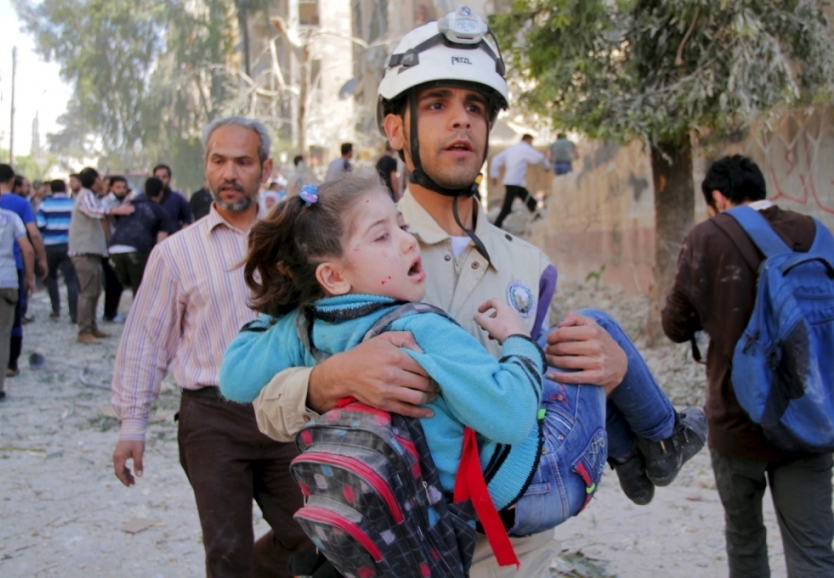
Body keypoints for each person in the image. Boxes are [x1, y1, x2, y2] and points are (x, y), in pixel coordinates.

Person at [238, 8, 689, 576]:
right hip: (400, 550)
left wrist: (613, 366)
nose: (462, 122)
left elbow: (543, 403)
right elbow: (264, 409)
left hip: (512, 550)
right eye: (437, 104)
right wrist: (330, 379)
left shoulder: (530, 264)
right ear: (396, 128)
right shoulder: (346, 250)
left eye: (475, 107)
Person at [221, 175, 705, 535]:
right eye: (382, 235)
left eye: (402, 225)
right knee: (593, 325)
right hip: (537, 483)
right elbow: (514, 414)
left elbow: (234, 379)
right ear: (333, 276)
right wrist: (515, 339)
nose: (407, 240)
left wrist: (284, 310)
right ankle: (661, 438)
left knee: (558, 351)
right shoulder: (419, 326)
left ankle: (639, 457)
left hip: (456, 504)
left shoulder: (307, 326)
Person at [111, 116, 315, 577]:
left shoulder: (295, 242)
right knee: (226, 552)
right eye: (218, 161)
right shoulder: (176, 253)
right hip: (212, 421)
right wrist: (132, 424)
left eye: (242, 162)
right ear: (205, 166)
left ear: (265, 169)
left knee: (315, 537)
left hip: (287, 411)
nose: (229, 174)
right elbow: (146, 339)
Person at [662, 154, 834, 578]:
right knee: (813, 552)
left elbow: (674, 325)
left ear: (718, 198)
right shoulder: (817, 233)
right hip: (809, 418)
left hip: (737, 419)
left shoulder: (707, 237)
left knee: (745, 541)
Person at [0, 164, 47, 375]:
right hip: (11, 269)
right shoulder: (19, 204)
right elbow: (32, 236)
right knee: (13, 317)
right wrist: (38, 265)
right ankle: (10, 364)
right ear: (13, 180)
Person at [68, 167, 134, 344]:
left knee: (95, 291)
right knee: (88, 292)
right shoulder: (86, 196)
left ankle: (91, 327)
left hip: (93, 252)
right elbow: (92, 211)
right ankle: (84, 331)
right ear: (95, 180)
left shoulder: (91, 196)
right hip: (84, 251)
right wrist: (115, 211)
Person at [0, 178, 35, 401]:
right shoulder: (11, 217)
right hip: (6, 280)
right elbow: (27, 249)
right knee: (2, 333)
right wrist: (29, 277)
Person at [107, 177, 172, 295]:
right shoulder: (161, 212)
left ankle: (111, 313)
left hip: (114, 249)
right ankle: (137, 313)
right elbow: (161, 244)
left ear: (145, 191)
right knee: (141, 293)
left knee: (121, 286)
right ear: (161, 193)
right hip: (138, 251)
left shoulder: (127, 205)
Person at [36, 179, 79, 322]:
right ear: (65, 189)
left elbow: (40, 225)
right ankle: (74, 313)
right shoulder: (73, 204)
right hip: (69, 245)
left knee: (51, 277)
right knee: (71, 279)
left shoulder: (45, 205)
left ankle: (56, 309)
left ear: (51, 190)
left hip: (50, 246)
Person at [490, 134, 551, 227]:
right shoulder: (524, 148)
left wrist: (494, 175)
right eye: (531, 142)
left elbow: (496, 160)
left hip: (515, 183)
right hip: (514, 183)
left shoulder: (511, 149)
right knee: (507, 207)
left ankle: (538, 219)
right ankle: (496, 225)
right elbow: (539, 157)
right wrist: (546, 166)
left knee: (529, 201)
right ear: (528, 140)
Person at [100, 175, 132, 323]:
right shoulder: (105, 203)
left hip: (122, 247)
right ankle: (109, 313)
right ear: (112, 187)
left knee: (119, 282)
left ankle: (113, 312)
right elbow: (104, 221)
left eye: (123, 187)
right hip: (108, 247)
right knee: (111, 282)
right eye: (118, 187)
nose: (121, 190)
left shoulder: (128, 202)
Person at [149, 164, 193, 232]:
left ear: (169, 178)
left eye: (164, 177)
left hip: (171, 239)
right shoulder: (143, 198)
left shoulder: (178, 199)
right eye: (157, 177)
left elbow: (187, 220)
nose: (160, 180)